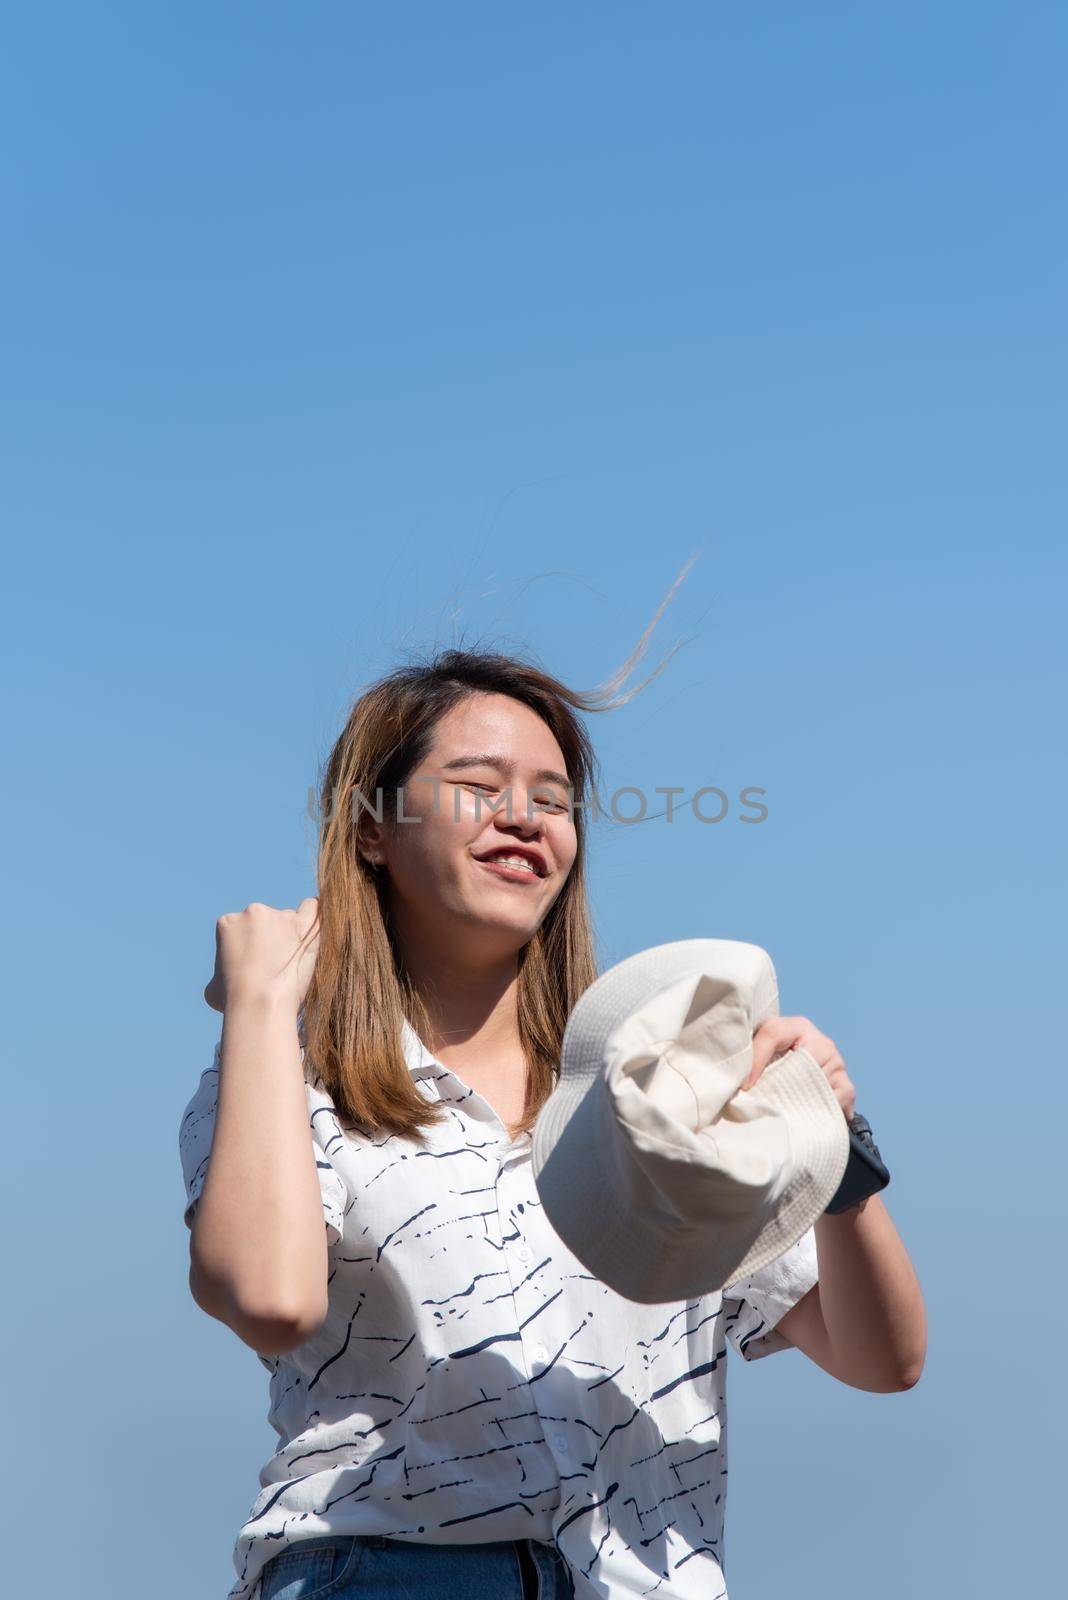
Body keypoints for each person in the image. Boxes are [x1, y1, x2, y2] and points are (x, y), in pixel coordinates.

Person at [179, 637, 926, 1600]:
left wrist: (831, 1147)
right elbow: (270, 1302)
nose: (524, 817)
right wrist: (260, 1005)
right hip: (387, 1573)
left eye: (555, 796)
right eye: (477, 783)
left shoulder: (665, 1085)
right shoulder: (292, 1076)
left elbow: (883, 1358)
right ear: (372, 827)